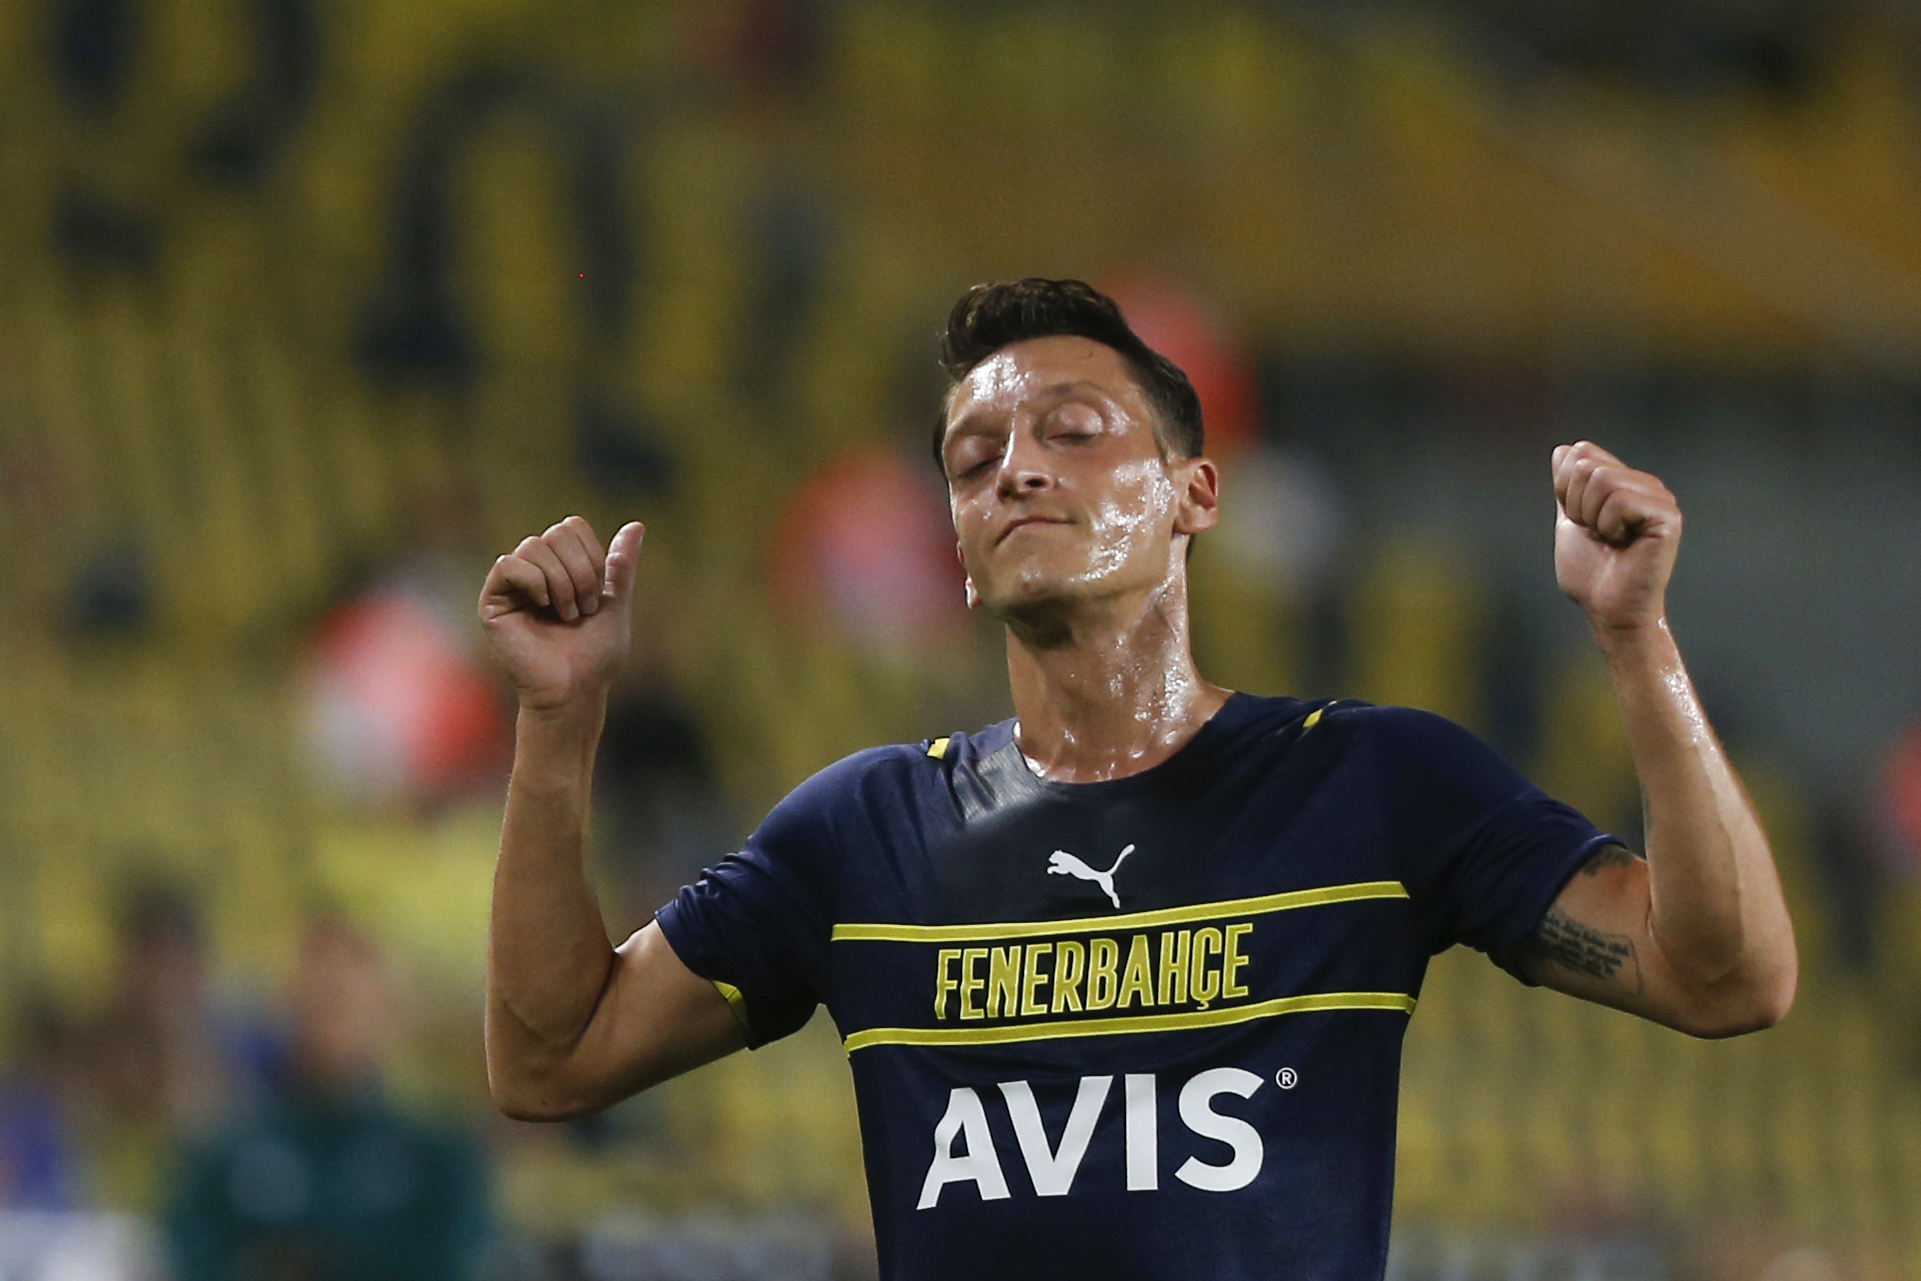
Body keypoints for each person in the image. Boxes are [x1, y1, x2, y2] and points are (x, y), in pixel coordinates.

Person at [479, 279, 1797, 1280]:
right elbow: (549, 1062)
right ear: (954, 542)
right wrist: (556, 719)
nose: (1019, 467)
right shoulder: (860, 834)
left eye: (1072, 429)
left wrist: (1633, 637)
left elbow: (1727, 975)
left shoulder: (1373, 783)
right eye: (972, 456)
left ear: (1192, 495)